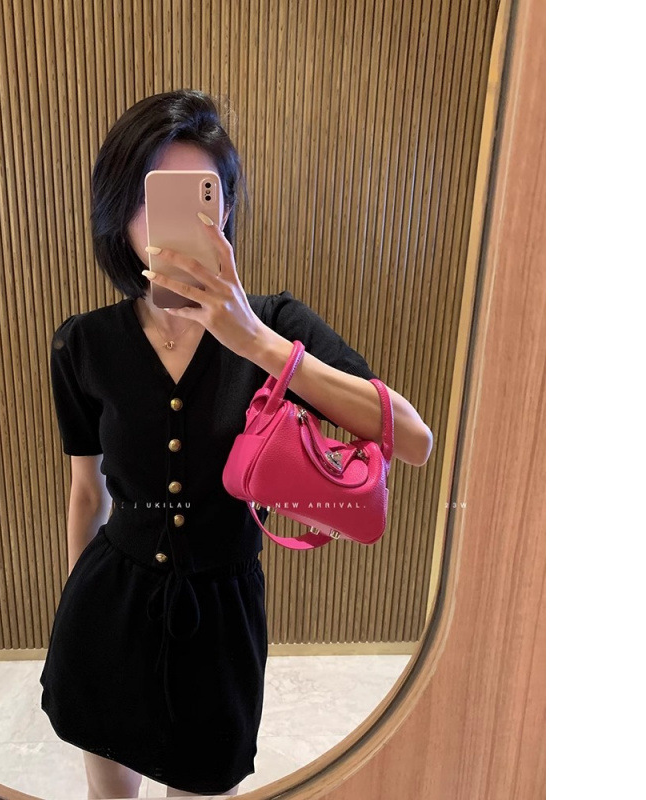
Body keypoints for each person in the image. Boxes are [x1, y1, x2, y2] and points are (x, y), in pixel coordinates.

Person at [39, 89, 432, 800]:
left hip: (222, 621)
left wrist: (256, 341)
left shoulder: (278, 325)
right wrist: (72, 609)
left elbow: (413, 439)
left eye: (200, 198)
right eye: (150, 199)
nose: (172, 224)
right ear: (119, 211)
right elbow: (87, 493)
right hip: (108, 610)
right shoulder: (83, 344)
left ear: (224, 210)